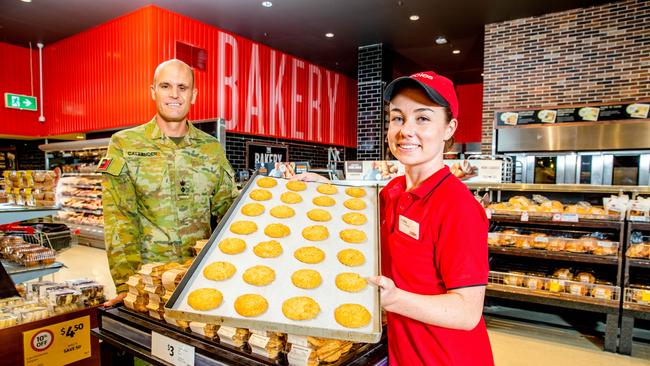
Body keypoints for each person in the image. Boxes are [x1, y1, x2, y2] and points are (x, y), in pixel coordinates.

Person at [295, 71, 493, 365]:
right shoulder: (393, 191)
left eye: (423, 118)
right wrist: (325, 189)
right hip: (403, 353)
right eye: (398, 118)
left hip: (447, 357)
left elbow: (466, 313)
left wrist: (391, 299)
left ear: (449, 128)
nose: (406, 130)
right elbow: (358, 222)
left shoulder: (457, 206)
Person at [98, 59, 239, 306]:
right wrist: (126, 283)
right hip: (149, 282)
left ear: (193, 95)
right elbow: (119, 219)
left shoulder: (211, 148)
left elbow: (229, 212)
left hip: (200, 277)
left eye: (182, 87)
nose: (174, 94)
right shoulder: (125, 144)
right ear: (153, 91)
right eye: (166, 86)